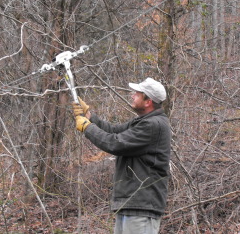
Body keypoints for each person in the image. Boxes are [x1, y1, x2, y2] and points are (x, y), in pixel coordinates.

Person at [73, 78, 171, 234]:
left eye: (137, 94)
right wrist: (89, 116)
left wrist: (87, 127)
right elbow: (113, 131)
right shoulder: (142, 122)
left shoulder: (153, 125)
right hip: (131, 204)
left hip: (142, 206)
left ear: (148, 102)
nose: (132, 96)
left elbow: (116, 143)